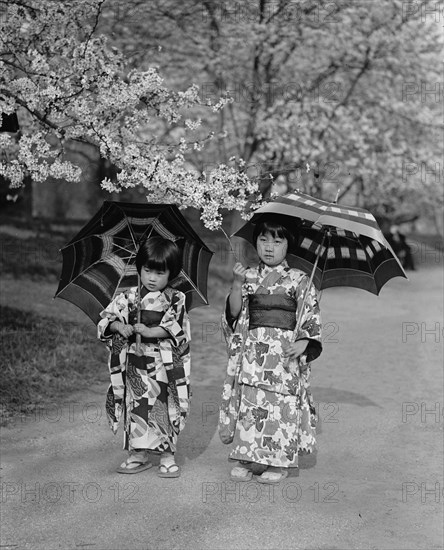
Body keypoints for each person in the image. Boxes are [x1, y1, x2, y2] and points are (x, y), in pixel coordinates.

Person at [219, 216, 323, 484]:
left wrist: (303, 342)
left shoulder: (300, 280)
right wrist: (236, 284)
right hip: (253, 352)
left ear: (289, 245)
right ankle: (248, 457)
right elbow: (234, 314)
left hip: (283, 354)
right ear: (256, 243)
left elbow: (309, 319)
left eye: (277, 241)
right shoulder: (250, 275)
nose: (269, 247)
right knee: (252, 402)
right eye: (263, 240)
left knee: (280, 406)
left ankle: (279, 462)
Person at [97, 236, 191, 477]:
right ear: (139, 267)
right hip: (135, 362)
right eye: (147, 270)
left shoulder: (176, 299)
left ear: (171, 273)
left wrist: (151, 331)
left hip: (163, 362)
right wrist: (120, 327)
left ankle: (167, 453)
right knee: (136, 404)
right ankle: (138, 452)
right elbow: (106, 319)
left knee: (163, 405)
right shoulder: (128, 297)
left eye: (159, 273)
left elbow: (178, 329)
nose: (151, 278)